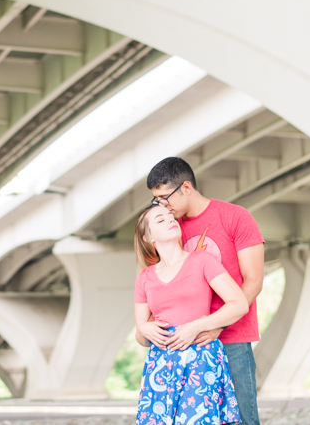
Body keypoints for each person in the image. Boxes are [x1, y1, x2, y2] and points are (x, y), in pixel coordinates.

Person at [145, 157, 265, 425]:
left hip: (232, 337)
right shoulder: (169, 229)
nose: (162, 206)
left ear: (186, 187)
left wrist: (217, 326)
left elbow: (254, 281)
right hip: (183, 345)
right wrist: (147, 327)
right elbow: (158, 285)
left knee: (242, 418)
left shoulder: (236, 217)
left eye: (165, 198)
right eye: (157, 201)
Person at [134, 204, 249, 425]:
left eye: (170, 216)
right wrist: (143, 329)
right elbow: (142, 338)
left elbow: (239, 304)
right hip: (161, 364)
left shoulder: (202, 260)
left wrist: (197, 326)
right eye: (160, 220)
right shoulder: (145, 277)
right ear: (148, 237)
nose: (170, 219)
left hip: (200, 358)